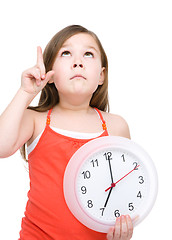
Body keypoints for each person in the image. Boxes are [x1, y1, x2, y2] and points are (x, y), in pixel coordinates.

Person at [0, 25, 133, 240]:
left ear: (101, 75)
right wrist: (26, 92)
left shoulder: (116, 127)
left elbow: (122, 191)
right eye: (66, 53)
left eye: (88, 54)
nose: (78, 61)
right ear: (49, 74)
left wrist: (120, 231)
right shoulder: (36, 120)